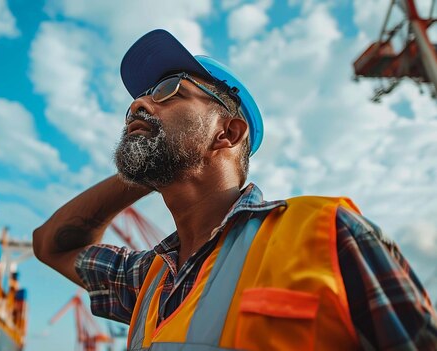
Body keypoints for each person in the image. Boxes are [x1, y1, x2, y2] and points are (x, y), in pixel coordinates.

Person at [33, 29, 437, 350]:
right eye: (138, 100)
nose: (139, 104)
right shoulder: (150, 281)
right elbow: (51, 245)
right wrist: (149, 162)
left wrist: (159, 152)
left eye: (168, 89)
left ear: (227, 132)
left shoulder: (328, 236)